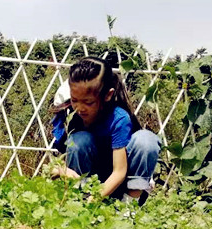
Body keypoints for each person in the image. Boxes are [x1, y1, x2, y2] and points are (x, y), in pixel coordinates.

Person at [51, 57, 161, 204]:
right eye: (74, 100)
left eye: (88, 102)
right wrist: (63, 171)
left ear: (108, 95)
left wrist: (95, 198)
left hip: (122, 185)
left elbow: (119, 172)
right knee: (79, 140)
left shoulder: (118, 118)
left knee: (146, 140)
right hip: (87, 186)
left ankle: (129, 207)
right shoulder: (69, 116)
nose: (79, 108)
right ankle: (79, 202)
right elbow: (57, 162)